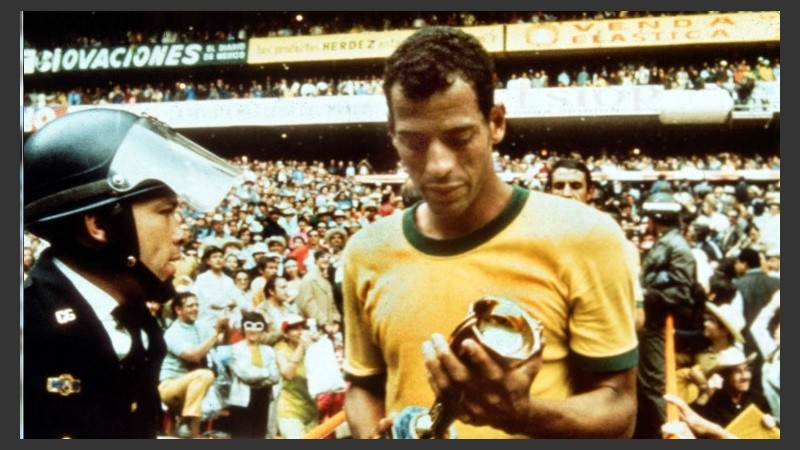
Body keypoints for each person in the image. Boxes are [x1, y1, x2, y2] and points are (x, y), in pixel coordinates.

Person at [342, 26, 638, 439]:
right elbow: (363, 386)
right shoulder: (366, 250)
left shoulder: (586, 237)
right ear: (392, 136)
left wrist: (521, 414)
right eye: (414, 142)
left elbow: (620, 408)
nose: (438, 164)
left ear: (495, 124)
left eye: (459, 137)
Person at [22, 108, 241, 438]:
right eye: (166, 212)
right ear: (99, 225)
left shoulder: (135, 321)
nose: (181, 233)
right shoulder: (27, 327)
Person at [547, 158, 644, 332]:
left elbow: (636, 317)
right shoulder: (533, 241)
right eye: (559, 186)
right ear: (548, 191)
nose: (567, 194)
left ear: (590, 192)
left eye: (576, 186)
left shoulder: (617, 244)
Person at [634, 191, 701, 439]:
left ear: (657, 218)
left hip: (655, 324)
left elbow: (681, 294)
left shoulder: (677, 247)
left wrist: (645, 294)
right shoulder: (668, 242)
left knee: (655, 386)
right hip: (648, 323)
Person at [159, 292, 230, 438]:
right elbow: (194, 356)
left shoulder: (200, 326)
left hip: (194, 389)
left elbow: (221, 340)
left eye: (197, 305)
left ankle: (187, 426)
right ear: (178, 310)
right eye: (190, 305)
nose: (195, 308)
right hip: (171, 386)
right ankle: (185, 421)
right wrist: (216, 332)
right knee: (206, 374)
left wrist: (224, 328)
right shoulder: (172, 332)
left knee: (193, 437)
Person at [225, 311, 281, 439]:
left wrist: (259, 377)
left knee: (259, 435)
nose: (253, 330)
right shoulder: (235, 349)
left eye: (258, 326)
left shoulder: (269, 350)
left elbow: (276, 376)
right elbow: (246, 374)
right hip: (242, 400)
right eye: (249, 326)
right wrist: (266, 373)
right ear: (243, 328)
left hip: (263, 397)